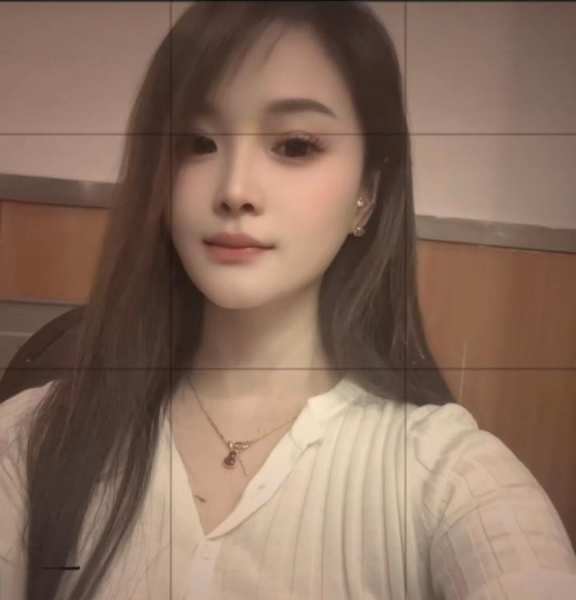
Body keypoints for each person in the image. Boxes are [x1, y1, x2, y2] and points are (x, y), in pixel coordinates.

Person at [1, 2, 575, 599]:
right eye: (197, 142)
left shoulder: (447, 473)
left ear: (369, 191)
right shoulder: (30, 441)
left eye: (295, 146)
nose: (235, 191)